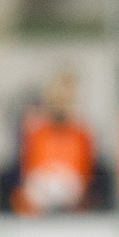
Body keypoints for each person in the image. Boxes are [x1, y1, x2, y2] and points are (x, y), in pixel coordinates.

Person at [12, 71, 96, 215]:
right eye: (57, 99)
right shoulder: (34, 132)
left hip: (71, 203)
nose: (60, 105)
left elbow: (86, 175)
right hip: (38, 202)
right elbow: (26, 171)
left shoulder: (82, 134)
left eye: (65, 100)